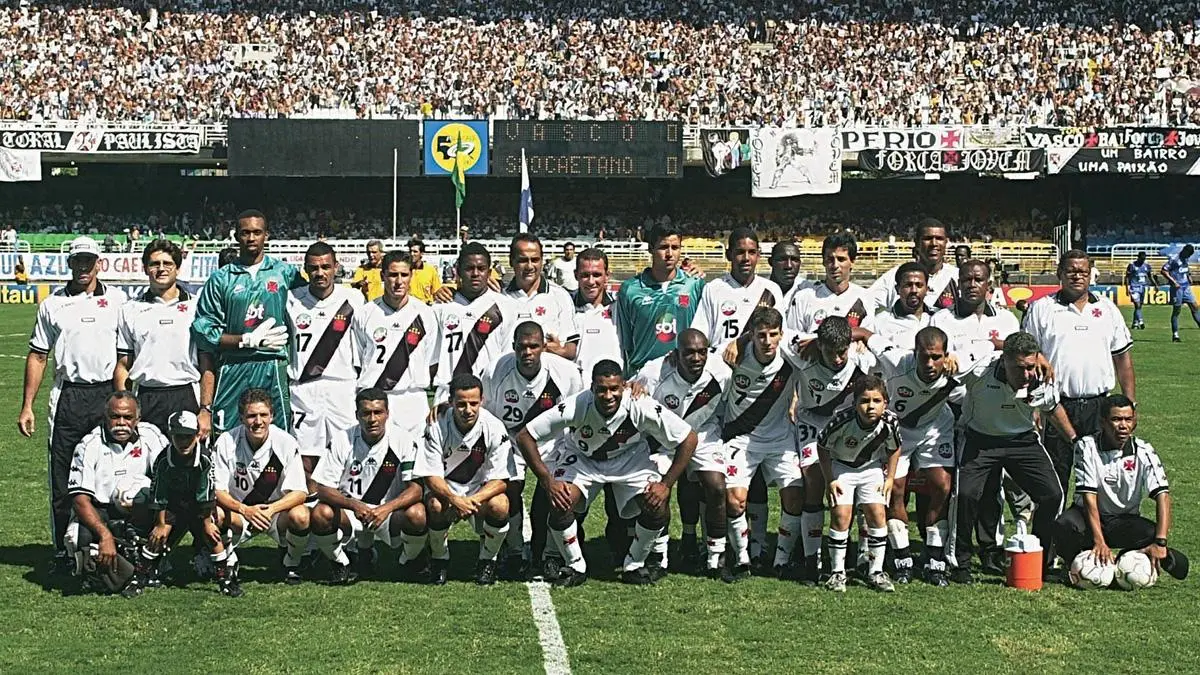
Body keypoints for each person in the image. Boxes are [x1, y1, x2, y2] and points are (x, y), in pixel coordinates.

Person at [516, 360, 698, 587]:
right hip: (583, 461)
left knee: (657, 504)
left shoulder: (640, 405)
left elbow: (689, 438)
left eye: (614, 389)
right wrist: (547, 480)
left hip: (629, 462)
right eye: (601, 389)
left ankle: (635, 564)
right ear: (592, 388)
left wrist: (667, 484)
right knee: (561, 501)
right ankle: (575, 565)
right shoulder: (577, 405)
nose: (608, 395)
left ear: (623, 386)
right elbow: (525, 436)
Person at [20, 235, 127, 572]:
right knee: (63, 475)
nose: (83, 266)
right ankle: (63, 552)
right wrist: (27, 406)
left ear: (99, 263)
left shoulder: (120, 301)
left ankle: (109, 542)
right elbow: (38, 356)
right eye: (77, 260)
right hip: (69, 395)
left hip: (107, 394)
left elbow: (129, 352)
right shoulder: (52, 304)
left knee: (110, 473)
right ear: (69, 263)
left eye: (88, 260)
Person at [951, 332, 1076, 584]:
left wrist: (1075, 440)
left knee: (1052, 494)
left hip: (1022, 441)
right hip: (980, 440)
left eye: (1031, 366)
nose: (1027, 374)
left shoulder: (1041, 378)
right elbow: (950, 369)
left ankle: (1039, 560)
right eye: (1020, 368)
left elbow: (1052, 409)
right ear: (1003, 360)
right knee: (965, 495)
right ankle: (960, 562)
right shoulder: (980, 369)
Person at [1022, 250, 1134, 493]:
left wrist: (1130, 401)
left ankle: (1095, 529)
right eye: (1070, 271)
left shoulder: (1107, 309)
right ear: (1059, 274)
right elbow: (1028, 358)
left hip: (1099, 407)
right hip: (1056, 406)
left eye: (1082, 271)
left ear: (1090, 275)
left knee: (1101, 477)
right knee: (1054, 481)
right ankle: (1051, 530)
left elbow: (1122, 357)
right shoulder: (1042, 308)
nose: (1077, 276)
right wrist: (1035, 406)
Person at [861, 326, 964, 586]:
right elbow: (862, 333)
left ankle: (935, 557)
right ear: (913, 353)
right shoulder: (895, 359)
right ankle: (902, 557)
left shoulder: (959, 366)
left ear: (946, 355)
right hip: (900, 430)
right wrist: (816, 342)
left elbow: (995, 348)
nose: (930, 363)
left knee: (942, 485)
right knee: (894, 488)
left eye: (936, 357)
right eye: (923, 356)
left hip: (936, 428)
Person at [482, 322, 582, 579]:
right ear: (513, 347)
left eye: (533, 346)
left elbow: (578, 414)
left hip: (553, 444)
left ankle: (550, 555)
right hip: (512, 441)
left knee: (556, 495)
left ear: (543, 347)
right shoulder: (496, 370)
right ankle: (514, 551)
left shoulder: (566, 372)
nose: (527, 352)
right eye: (522, 347)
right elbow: (489, 416)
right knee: (510, 490)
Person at [193, 210, 304, 435]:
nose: (251, 238)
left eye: (257, 232)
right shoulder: (221, 278)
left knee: (276, 437)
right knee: (226, 436)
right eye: (245, 233)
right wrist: (244, 340)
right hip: (233, 365)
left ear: (267, 235)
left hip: (272, 364)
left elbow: (311, 301)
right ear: (236, 236)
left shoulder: (284, 273)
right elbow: (204, 330)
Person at [633, 328, 732, 580]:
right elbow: (630, 392)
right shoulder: (653, 373)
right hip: (663, 441)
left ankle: (715, 557)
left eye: (701, 352)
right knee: (655, 491)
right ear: (676, 354)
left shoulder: (722, 373)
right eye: (689, 353)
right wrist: (632, 386)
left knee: (717, 487)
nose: (696, 358)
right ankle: (660, 558)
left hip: (703, 434)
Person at [1054, 395, 1188, 580]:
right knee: (1064, 525)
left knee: (1151, 532)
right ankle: (1074, 564)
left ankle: (1128, 561)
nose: (1123, 425)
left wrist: (1161, 542)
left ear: (1134, 422)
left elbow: (1162, 495)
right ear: (1103, 422)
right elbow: (1089, 497)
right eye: (1116, 419)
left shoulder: (1144, 451)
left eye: (1128, 419)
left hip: (1122, 520)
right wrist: (1099, 540)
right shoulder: (1086, 447)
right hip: (1088, 517)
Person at [310, 389, 426, 584]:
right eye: (366, 413)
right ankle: (341, 563)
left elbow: (416, 489)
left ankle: (408, 561)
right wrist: (354, 505)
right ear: (357, 415)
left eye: (378, 412)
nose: (372, 419)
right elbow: (322, 487)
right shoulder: (342, 439)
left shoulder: (403, 440)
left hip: (387, 513)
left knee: (418, 514)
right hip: (351, 512)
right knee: (321, 513)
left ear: (387, 413)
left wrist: (386, 508)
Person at [123, 411, 239, 598]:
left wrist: (207, 522)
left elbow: (206, 491)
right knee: (158, 537)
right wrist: (161, 524)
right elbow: (159, 493)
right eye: (178, 436)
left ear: (197, 435)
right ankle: (139, 577)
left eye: (188, 436)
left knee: (212, 535)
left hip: (199, 504)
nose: (184, 442)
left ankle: (225, 578)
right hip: (173, 504)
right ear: (170, 435)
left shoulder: (204, 459)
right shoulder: (163, 460)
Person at [416, 374, 517, 585]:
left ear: (482, 401)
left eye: (473, 403)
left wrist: (470, 501)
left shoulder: (494, 426)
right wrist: (454, 498)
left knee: (501, 504)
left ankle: (487, 561)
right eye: (461, 404)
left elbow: (500, 480)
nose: (468, 410)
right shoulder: (436, 425)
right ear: (450, 402)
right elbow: (430, 475)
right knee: (434, 504)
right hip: (447, 490)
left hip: (476, 493)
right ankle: (439, 559)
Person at [64, 392, 168, 593]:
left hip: (140, 508)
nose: (121, 423)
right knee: (76, 537)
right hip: (101, 510)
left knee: (161, 502)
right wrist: (104, 535)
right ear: (105, 417)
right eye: (115, 416)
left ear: (137, 419)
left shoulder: (151, 435)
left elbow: (169, 476)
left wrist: (162, 521)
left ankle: (150, 563)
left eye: (128, 417)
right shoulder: (88, 445)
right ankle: (114, 571)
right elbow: (79, 500)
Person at [212, 388, 311, 585]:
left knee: (301, 515)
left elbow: (300, 492)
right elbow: (217, 490)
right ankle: (229, 561)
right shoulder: (226, 441)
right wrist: (246, 510)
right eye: (251, 416)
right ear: (241, 418)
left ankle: (291, 563)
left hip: (273, 513)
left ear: (272, 416)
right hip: (240, 512)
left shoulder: (285, 442)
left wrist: (271, 510)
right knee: (215, 513)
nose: (258, 422)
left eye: (263, 415)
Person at [818, 377, 902, 593]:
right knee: (841, 516)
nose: (870, 406)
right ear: (855, 403)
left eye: (876, 400)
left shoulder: (890, 423)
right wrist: (830, 479)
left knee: (877, 514)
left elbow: (895, 448)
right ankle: (837, 573)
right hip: (842, 468)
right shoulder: (842, 421)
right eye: (864, 400)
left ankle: (876, 571)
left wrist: (890, 478)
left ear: (885, 402)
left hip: (870, 468)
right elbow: (823, 446)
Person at [288, 242, 364, 479]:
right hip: (303, 389)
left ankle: (341, 510)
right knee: (304, 455)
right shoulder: (291, 300)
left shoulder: (354, 298)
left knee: (347, 451)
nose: (320, 273)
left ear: (336, 267)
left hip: (342, 387)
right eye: (314, 268)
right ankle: (310, 510)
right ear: (305, 269)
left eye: (325, 267)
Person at [115, 239, 202, 435]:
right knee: (146, 463)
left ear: (178, 268)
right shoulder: (129, 310)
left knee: (186, 462)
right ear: (145, 269)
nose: (161, 269)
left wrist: (205, 408)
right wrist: (125, 405)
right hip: (147, 396)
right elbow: (123, 365)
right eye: (155, 264)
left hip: (186, 394)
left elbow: (207, 364)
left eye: (167, 264)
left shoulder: (196, 307)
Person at [353, 251, 440, 437]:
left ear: (411, 276)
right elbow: (359, 360)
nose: (398, 281)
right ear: (382, 275)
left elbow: (432, 360)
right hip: (375, 402)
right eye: (393, 275)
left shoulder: (425, 314)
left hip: (412, 400)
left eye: (404, 275)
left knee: (414, 461)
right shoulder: (365, 313)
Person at [615, 223, 705, 378]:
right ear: (651, 249)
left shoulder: (694, 284)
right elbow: (624, 342)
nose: (669, 254)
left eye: (675, 247)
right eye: (663, 247)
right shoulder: (630, 289)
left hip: (683, 373)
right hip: (642, 377)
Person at [431, 243, 517, 405]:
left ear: (489, 272)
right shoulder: (441, 306)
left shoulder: (506, 306)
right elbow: (432, 358)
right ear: (458, 271)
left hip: (490, 393)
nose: (475, 273)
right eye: (469, 268)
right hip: (448, 394)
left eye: (481, 268)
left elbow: (508, 357)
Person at [690, 228, 784, 347]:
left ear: (758, 255)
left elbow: (780, 334)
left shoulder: (771, 289)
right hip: (720, 362)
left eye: (752, 252)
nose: (746, 258)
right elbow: (700, 333)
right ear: (729, 255)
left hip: (759, 364)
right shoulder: (713, 288)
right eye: (740, 252)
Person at [503, 234, 578, 361]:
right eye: (523, 260)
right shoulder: (501, 297)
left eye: (535, 260)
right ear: (511, 261)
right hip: (509, 376)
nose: (529, 266)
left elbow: (570, 352)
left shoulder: (559, 296)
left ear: (542, 261)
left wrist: (546, 348)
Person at [786, 232, 874, 336]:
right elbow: (791, 340)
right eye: (830, 259)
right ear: (823, 261)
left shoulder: (865, 298)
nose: (835, 265)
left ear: (852, 261)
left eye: (841, 259)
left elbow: (866, 340)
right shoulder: (803, 298)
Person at [931, 259, 1019, 359]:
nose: (972, 285)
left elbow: (1019, 357)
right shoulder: (940, 320)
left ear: (988, 285)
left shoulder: (1007, 320)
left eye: (978, 280)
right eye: (967, 280)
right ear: (959, 284)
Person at [573, 247, 622, 379]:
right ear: (575, 275)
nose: (590, 281)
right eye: (585, 275)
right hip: (574, 390)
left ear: (607, 275)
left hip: (611, 391)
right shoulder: (566, 308)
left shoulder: (620, 308)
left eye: (596, 275)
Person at [873, 261, 933, 346]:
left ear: (927, 289)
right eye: (908, 285)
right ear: (897, 289)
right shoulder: (880, 322)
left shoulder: (936, 319)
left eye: (919, 285)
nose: (914, 290)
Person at [1161, 244, 1200, 342]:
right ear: (1184, 251)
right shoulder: (1175, 259)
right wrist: (1174, 282)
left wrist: (1189, 276)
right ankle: (1175, 335)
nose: (1189, 256)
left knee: (1195, 306)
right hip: (1177, 288)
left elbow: (1186, 269)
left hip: (1186, 287)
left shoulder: (1185, 259)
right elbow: (1164, 271)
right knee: (1177, 311)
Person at [1123, 251, 1157, 330]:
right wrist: (1127, 288)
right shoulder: (1132, 265)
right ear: (1138, 257)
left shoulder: (1147, 266)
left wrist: (1155, 285)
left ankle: (1135, 323)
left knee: (1139, 307)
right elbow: (1127, 277)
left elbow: (1150, 276)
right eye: (1141, 259)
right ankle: (1141, 321)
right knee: (1137, 305)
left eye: (1144, 259)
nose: (1142, 261)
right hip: (1134, 287)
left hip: (1143, 287)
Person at [407, 239, 443, 304]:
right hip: (408, 308)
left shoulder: (430, 270)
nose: (412, 254)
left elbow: (436, 292)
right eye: (410, 251)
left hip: (425, 308)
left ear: (421, 253)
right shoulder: (404, 269)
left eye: (415, 251)